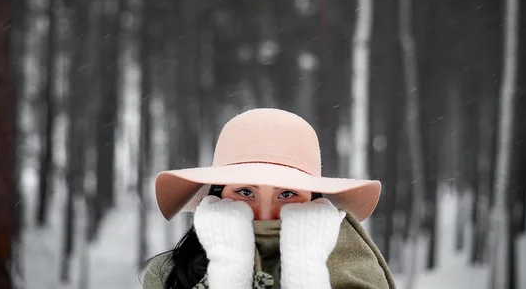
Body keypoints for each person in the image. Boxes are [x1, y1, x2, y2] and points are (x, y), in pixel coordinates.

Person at [141, 108, 396, 289]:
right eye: (245, 192)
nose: (264, 214)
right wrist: (228, 271)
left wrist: (306, 273)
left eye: (287, 194)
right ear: (217, 195)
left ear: (313, 200)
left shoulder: (355, 269)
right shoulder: (170, 274)